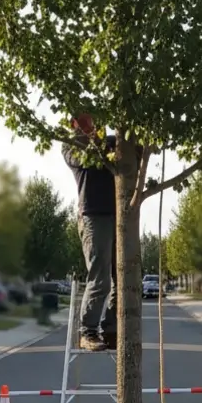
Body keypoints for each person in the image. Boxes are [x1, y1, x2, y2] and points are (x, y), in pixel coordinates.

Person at [63, 113, 118, 352]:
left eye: (94, 120)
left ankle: (113, 330)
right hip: (93, 217)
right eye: (83, 121)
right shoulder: (71, 146)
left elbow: (133, 149)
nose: (91, 125)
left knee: (125, 282)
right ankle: (88, 332)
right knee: (101, 280)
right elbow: (88, 158)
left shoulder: (113, 143)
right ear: (74, 124)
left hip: (119, 217)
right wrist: (94, 138)